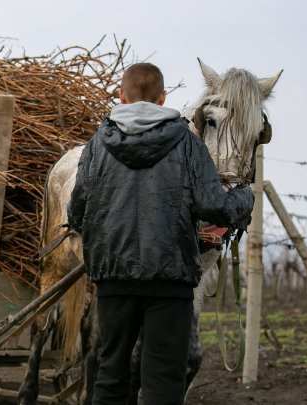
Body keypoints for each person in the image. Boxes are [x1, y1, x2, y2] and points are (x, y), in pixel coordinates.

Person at [67, 62, 254, 405]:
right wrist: (245, 195)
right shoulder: (187, 143)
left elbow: (77, 211)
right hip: (170, 282)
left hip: (114, 281)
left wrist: (106, 246)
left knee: (111, 376)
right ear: (164, 97)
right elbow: (216, 208)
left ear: (121, 97)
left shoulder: (97, 144)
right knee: (163, 381)